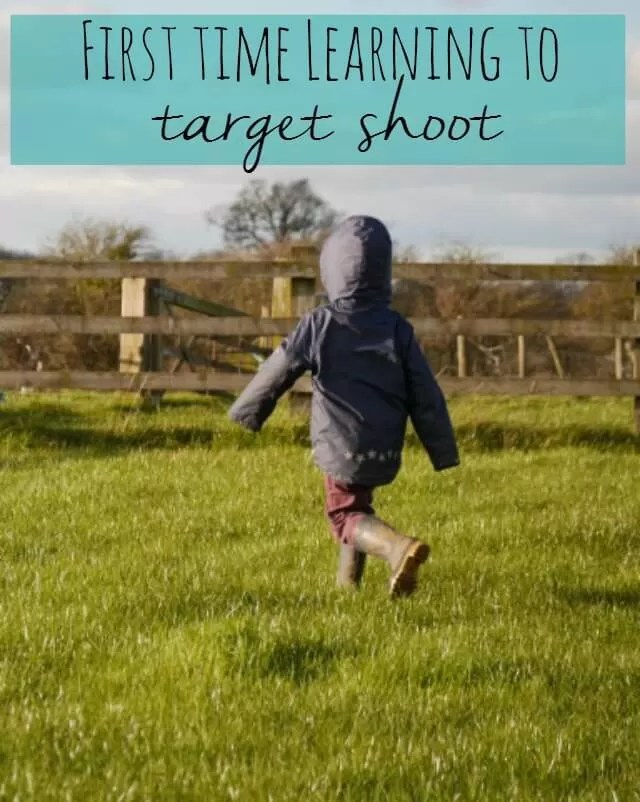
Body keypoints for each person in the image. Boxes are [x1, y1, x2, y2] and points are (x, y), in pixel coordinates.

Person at [228, 215, 460, 598]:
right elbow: (426, 393)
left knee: (343, 515)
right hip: (384, 443)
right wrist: (442, 449)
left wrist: (247, 411)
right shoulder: (397, 328)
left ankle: (396, 548)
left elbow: (279, 366)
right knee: (356, 506)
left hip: (340, 441)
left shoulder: (321, 323)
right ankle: (347, 589)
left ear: (333, 268)